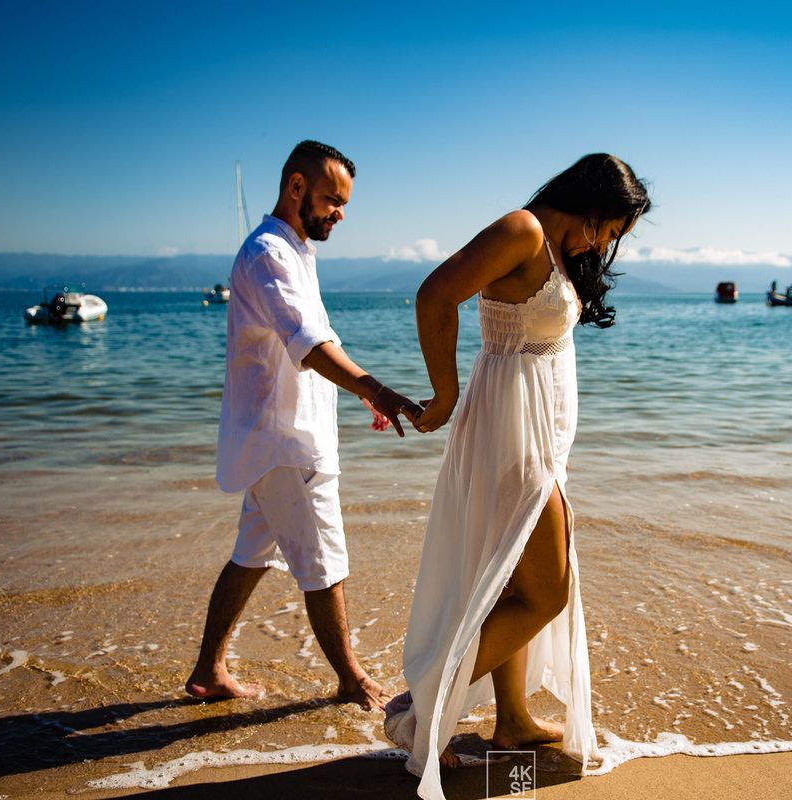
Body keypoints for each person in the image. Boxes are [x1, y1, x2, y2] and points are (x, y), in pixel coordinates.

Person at [385, 154, 651, 798]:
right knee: (546, 592)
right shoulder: (523, 230)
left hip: (537, 434)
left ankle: (512, 722)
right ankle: (422, 712)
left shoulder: (556, 247)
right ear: (592, 205)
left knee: (511, 581)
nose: (606, 245)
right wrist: (445, 393)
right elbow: (434, 294)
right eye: (610, 229)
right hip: (511, 435)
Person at [186, 140, 422, 710]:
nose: (339, 213)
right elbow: (309, 344)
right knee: (325, 563)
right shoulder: (268, 252)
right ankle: (353, 680)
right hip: (286, 442)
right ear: (296, 187)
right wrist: (378, 390)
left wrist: (359, 393)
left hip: (278, 438)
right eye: (332, 200)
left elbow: (315, 343)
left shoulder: (295, 251)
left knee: (251, 555)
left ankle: (209, 671)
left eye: (343, 204)